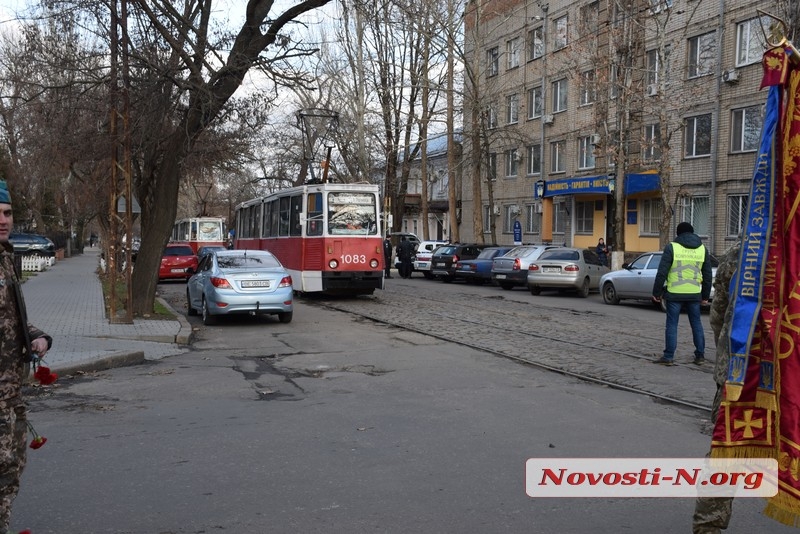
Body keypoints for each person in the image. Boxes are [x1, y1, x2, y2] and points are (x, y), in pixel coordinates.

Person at [0, 180, 53, 532]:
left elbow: (10, 317)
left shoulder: (5, 257)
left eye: (6, 213)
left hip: (10, 389)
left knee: (13, 465)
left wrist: (36, 336)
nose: (3, 220)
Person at [691, 240, 740, 533]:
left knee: (726, 454)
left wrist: (727, 356)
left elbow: (718, 316)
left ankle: (708, 527)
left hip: (738, 371)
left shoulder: (740, 251)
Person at [651, 222, 712, 366]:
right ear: (692, 233)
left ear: (678, 234)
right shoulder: (702, 249)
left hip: (674, 294)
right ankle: (700, 355)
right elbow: (708, 275)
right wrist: (705, 296)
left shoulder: (672, 247)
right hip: (694, 293)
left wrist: (657, 292)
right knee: (696, 324)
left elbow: (662, 272)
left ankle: (668, 357)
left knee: (672, 325)